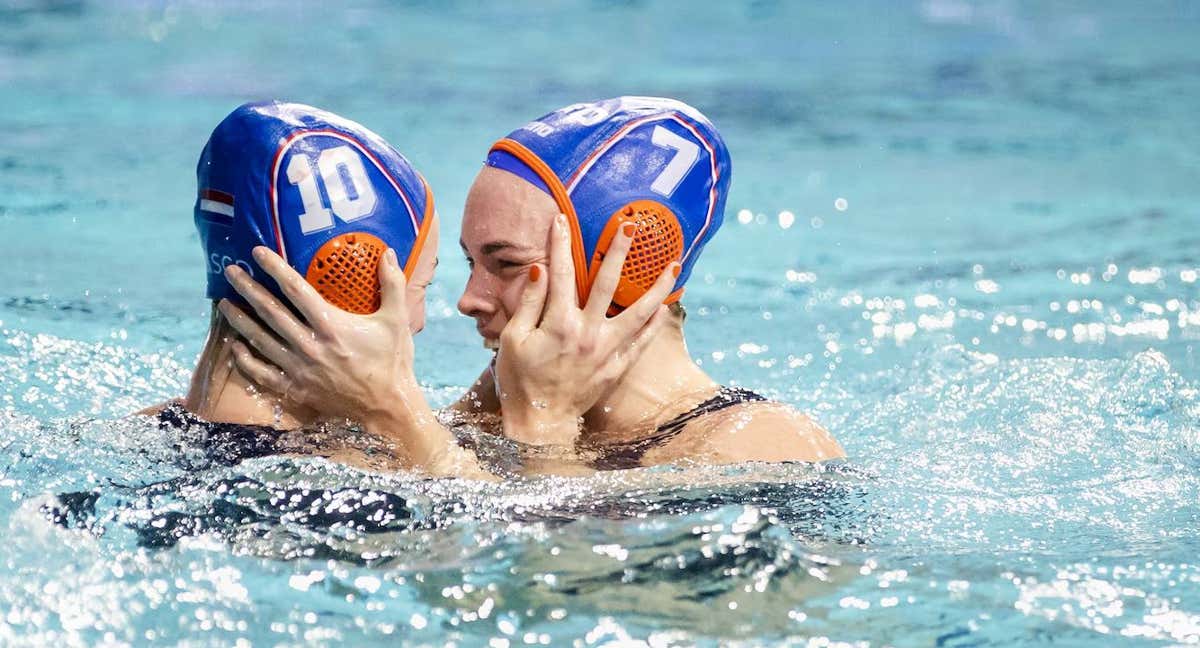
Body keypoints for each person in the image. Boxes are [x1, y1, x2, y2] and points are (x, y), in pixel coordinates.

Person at [224, 97, 844, 470]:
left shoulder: (761, 445)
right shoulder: (502, 398)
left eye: (507, 264)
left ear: (625, 266)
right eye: (470, 264)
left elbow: (547, 587)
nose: (468, 300)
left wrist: (538, 427)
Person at [144, 101, 455, 471]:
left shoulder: (150, 431)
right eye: (422, 286)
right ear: (351, 288)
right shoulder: (334, 486)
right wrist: (399, 414)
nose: (419, 320)